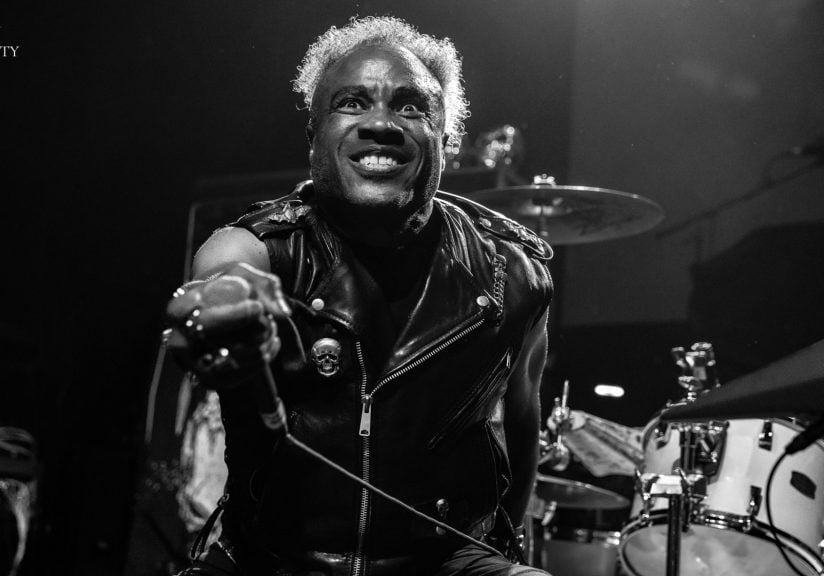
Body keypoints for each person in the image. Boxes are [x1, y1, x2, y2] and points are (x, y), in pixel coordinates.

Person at [165, 16, 554, 576]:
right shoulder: (260, 246)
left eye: (411, 107)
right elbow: (223, 277)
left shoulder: (513, 275)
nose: (380, 123)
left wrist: (503, 555)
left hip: (443, 562)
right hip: (271, 561)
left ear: (446, 138)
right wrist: (223, 303)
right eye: (351, 103)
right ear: (314, 134)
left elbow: (523, 425)